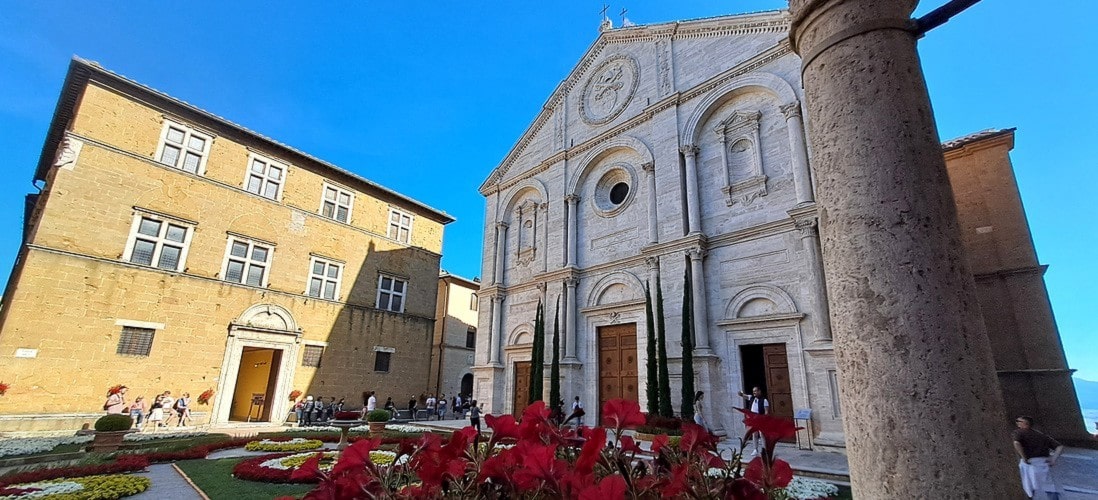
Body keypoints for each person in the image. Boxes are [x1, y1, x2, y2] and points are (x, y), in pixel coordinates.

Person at [1013, 416, 1064, 499]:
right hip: (1044, 463)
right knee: (1050, 487)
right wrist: (1053, 459)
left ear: (1025, 423)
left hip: (1030, 464)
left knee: (1029, 487)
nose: (1017, 422)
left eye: (1018, 421)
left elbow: (1016, 443)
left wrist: (1024, 457)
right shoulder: (1042, 435)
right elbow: (1059, 446)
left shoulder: (1019, 432)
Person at [739, 386, 769, 455]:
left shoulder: (764, 400)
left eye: (755, 391)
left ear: (759, 391)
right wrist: (740, 394)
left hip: (760, 419)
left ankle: (764, 449)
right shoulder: (751, 398)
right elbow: (744, 396)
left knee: (762, 434)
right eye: (753, 391)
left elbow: (766, 411)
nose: (754, 393)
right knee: (754, 434)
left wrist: (764, 419)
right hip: (753, 419)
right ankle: (755, 449)